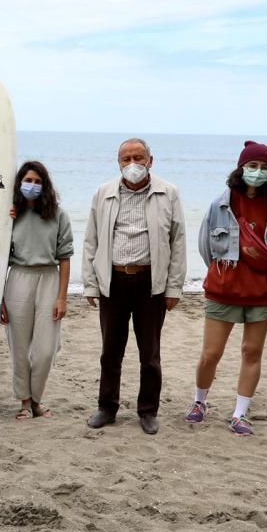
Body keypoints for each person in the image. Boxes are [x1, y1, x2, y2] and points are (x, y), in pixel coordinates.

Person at [82, 138, 186, 435]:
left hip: (150, 283)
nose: (132, 164)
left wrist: (174, 288)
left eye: (138, 158)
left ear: (150, 161)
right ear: (118, 162)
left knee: (149, 353)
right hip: (112, 281)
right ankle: (107, 407)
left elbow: (177, 241)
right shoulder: (103, 193)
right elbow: (91, 240)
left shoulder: (169, 193)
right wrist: (91, 284)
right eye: (126, 158)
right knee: (110, 351)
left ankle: (148, 411)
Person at [187, 141, 267, 436]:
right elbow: (206, 247)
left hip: (263, 291)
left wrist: (261, 274)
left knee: (252, 352)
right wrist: (225, 275)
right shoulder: (221, 202)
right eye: (252, 165)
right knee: (211, 353)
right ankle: (199, 402)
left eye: (264, 167)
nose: (257, 172)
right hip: (224, 288)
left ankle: (240, 414)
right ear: (241, 167)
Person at [0, 161, 73, 420]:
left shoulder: (58, 215)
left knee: (45, 350)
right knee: (19, 347)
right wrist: (0, 300)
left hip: (49, 278)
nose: (33, 185)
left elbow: (64, 258)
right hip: (18, 278)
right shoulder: (10, 215)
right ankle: (26, 403)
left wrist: (62, 297)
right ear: (20, 183)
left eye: (38, 181)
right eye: (28, 180)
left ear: (45, 185)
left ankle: (38, 398)